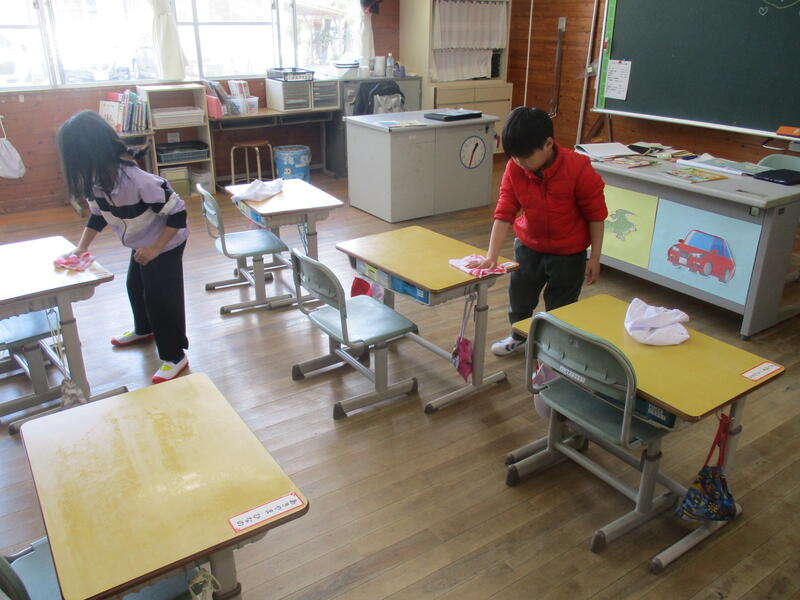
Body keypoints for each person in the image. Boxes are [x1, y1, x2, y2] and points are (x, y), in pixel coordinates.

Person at [56, 110, 189, 383]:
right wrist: (80, 248)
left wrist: (155, 249)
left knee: (160, 299)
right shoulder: (96, 181)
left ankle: (175, 355)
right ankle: (145, 329)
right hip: (141, 241)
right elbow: (98, 215)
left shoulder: (138, 180)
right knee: (135, 286)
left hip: (166, 242)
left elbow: (178, 214)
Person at [471, 107, 607, 356]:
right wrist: (491, 256)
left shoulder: (578, 168)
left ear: (548, 144)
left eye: (524, 157)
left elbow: (596, 215)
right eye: (514, 157)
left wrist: (595, 257)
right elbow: (504, 212)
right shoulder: (515, 167)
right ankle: (519, 337)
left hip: (569, 254)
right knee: (519, 298)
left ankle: (553, 352)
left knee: (561, 307)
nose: (519, 163)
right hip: (528, 247)